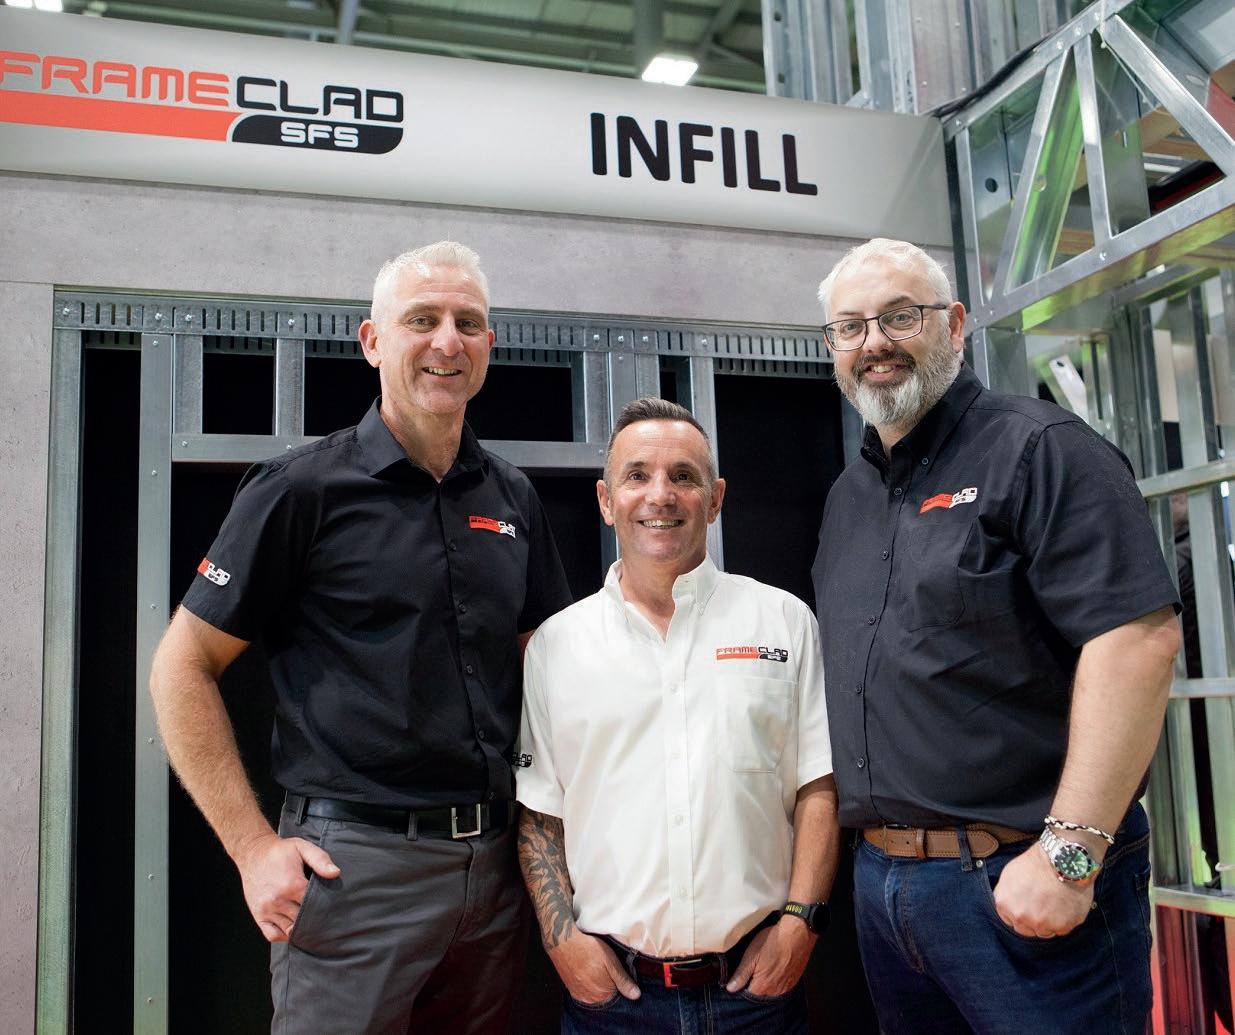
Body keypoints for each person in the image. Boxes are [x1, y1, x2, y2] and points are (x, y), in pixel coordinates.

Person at [149, 241, 572, 1034]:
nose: (447, 340)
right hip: (354, 872)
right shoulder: (300, 489)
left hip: (494, 870)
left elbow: (547, 672)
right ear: (373, 341)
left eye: (467, 323)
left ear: (488, 344)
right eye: (422, 319)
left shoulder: (512, 496)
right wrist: (251, 848)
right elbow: (181, 665)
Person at [811, 238, 1182, 1033]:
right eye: (849, 326)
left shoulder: (1041, 449)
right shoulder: (849, 497)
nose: (873, 342)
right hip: (886, 892)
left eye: (899, 316)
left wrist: (1070, 856)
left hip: (1023, 881)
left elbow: (1136, 641)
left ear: (953, 324)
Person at [516, 397, 840, 1034]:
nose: (659, 495)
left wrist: (802, 923)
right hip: (615, 1004)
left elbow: (819, 787)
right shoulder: (557, 645)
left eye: (683, 476)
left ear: (715, 499)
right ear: (606, 500)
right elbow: (539, 811)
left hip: (758, 997)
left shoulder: (783, 622)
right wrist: (561, 944)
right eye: (636, 476)